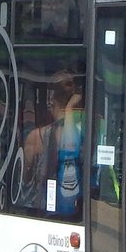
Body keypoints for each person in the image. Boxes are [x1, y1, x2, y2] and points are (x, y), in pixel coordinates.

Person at [21, 71, 83, 212]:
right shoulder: (83, 134)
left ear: (51, 101)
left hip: (41, 209)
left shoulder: (35, 137)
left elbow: (25, 178)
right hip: (74, 208)